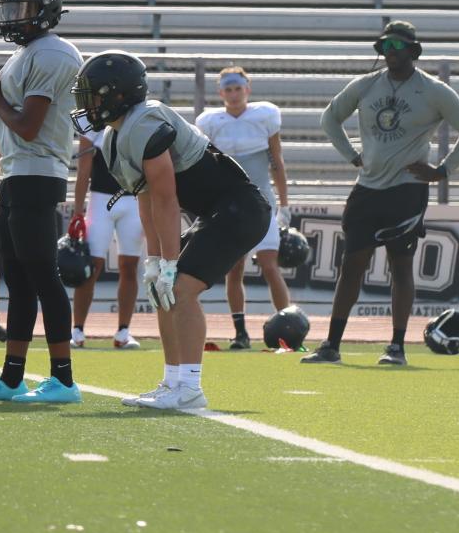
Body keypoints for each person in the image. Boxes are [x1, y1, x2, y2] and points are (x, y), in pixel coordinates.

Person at [74, 52, 272, 411]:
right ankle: (172, 382)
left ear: (119, 95)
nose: (89, 104)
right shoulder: (116, 138)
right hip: (215, 212)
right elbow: (148, 200)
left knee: (178, 288)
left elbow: (167, 199)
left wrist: (168, 262)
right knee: (160, 289)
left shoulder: (146, 121)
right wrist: (155, 261)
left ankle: (191, 388)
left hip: (240, 209)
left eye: (96, 95)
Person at [307, 20, 459, 365]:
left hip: (406, 190)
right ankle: (331, 345)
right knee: (351, 265)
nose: (390, 52)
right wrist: (351, 155)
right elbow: (329, 118)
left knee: (400, 265)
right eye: (385, 46)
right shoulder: (365, 85)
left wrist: (442, 171)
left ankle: (396, 347)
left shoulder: (433, 90)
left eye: (397, 46)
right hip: (367, 187)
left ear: (413, 51)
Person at [0, 0, 85, 404]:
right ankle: (12, 378)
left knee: (43, 275)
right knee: (20, 281)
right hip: (17, 173)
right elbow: (12, 121)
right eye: (9, 8)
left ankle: (64, 379)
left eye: (22, 8)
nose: (13, 17)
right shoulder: (28, 54)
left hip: (37, 173)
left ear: (47, 11)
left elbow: (27, 126)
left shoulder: (53, 53)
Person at [195, 66, 294, 349]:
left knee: (269, 265)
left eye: (238, 88)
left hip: (262, 201)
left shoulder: (264, 116)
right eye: (228, 89)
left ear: (247, 89)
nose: (234, 94)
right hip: (231, 204)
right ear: (220, 92)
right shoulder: (211, 122)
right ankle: (240, 332)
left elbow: (277, 161)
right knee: (234, 268)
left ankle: (286, 330)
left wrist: (285, 202)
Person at [68, 129, 142, 351]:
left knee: (130, 266)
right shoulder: (92, 126)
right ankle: (77, 330)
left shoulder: (138, 121)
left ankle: (123, 331)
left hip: (133, 201)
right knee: (90, 267)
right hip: (100, 200)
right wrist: (78, 211)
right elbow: (83, 172)